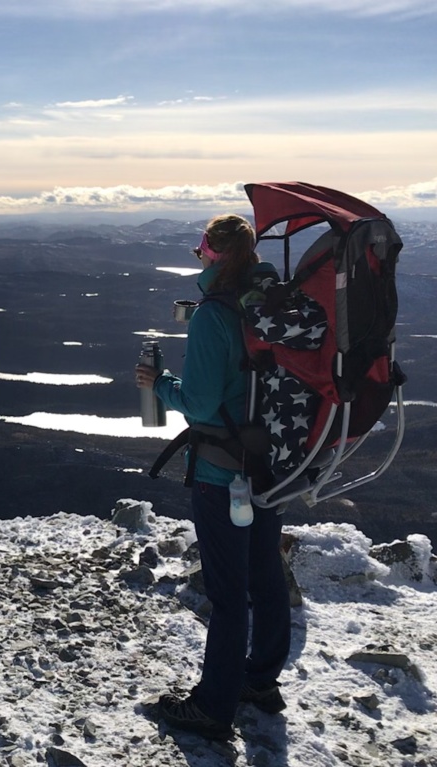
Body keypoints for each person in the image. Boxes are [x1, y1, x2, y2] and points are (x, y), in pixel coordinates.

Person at [135, 213, 291, 740]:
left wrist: (161, 385)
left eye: (201, 249)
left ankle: (212, 708)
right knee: (266, 576)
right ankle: (260, 681)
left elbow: (199, 402)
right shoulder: (271, 307)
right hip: (272, 463)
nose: (197, 257)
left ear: (213, 255)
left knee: (228, 593)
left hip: (224, 472)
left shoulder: (213, 316)